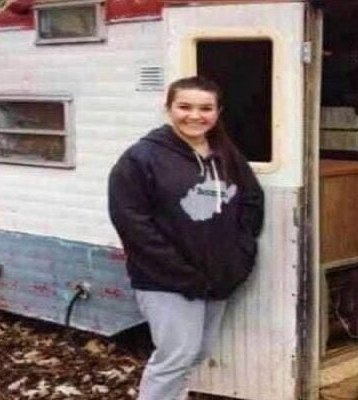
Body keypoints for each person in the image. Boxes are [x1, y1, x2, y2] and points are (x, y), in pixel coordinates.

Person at [108, 76, 264, 400]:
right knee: (175, 357)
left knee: (197, 352)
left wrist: (240, 254)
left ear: (218, 112)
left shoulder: (225, 153)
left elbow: (251, 199)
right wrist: (182, 273)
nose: (195, 115)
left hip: (218, 277)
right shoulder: (141, 158)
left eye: (205, 108)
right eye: (185, 107)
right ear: (168, 109)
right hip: (165, 280)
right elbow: (132, 224)